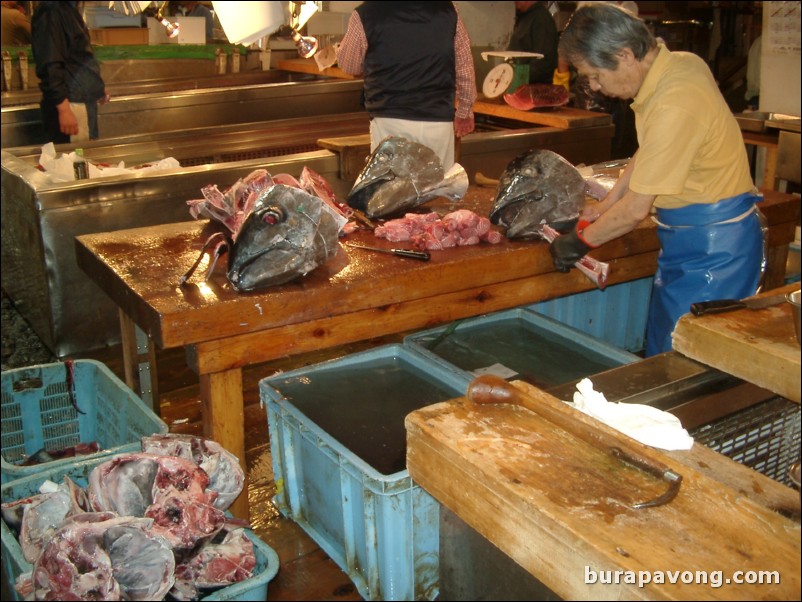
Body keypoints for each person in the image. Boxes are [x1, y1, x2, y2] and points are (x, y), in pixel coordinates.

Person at [549, 3, 764, 357]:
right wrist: (604, 205)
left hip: (715, 250)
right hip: (688, 239)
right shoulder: (680, 64)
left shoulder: (674, 101)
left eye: (595, 74)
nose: (595, 86)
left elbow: (636, 211)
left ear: (625, 54)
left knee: (692, 361)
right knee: (667, 350)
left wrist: (577, 242)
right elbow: (652, 149)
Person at [336, 1, 477, 170]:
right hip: (437, 121)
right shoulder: (447, 8)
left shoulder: (366, 12)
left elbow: (349, 65)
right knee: (436, 190)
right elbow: (464, 65)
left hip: (389, 121)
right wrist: (464, 110)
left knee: (392, 191)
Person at [31, 1, 109, 144]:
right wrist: (63, 108)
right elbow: (50, 64)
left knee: (84, 159)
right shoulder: (51, 11)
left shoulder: (69, 9)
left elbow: (78, 57)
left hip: (81, 102)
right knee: (72, 161)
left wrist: (96, 86)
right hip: (71, 104)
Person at [507, 1, 559, 85]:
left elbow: (544, 62)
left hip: (533, 88)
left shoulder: (541, 19)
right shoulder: (525, 17)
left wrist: (518, 77)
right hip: (516, 83)